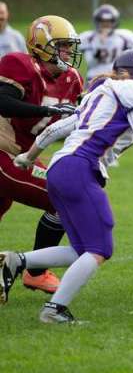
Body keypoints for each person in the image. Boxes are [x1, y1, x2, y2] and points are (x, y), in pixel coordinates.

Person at [0, 48, 133, 323]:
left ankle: (17, 261)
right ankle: (54, 310)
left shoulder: (100, 93)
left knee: (82, 249)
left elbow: (56, 129)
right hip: (81, 168)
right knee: (101, 248)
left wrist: (28, 158)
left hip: (58, 167)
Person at [0, 15, 83, 295]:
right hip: (4, 151)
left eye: (70, 46)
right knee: (62, 195)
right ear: (42, 45)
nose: (68, 52)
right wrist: (46, 111)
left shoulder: (72, 79)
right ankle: (35, 271)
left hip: (24, 154)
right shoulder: (20, 64)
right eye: (62, 45)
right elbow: (2, 101)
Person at [79, 4, 133, 82]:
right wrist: (101, 44)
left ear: (114, 22)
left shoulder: (124, 37)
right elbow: (91, 63)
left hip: (116, 77)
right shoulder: (89, 38)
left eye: (108, 22)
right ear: (97, 22)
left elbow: (130, 60)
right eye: (102, 22)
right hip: (94, 77)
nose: (105, 25)